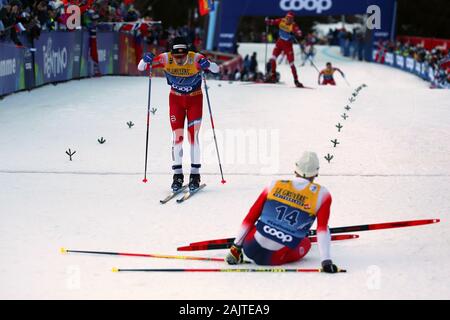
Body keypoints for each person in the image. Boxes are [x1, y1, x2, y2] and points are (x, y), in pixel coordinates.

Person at [225, 151, 340, 273]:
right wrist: (326, 261)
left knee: (258, 222)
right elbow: (322, 229)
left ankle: (239, 248)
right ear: (316, 173)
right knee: (306, 243)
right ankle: (298, 235)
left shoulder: (274, 185)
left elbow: (250, 217)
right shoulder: (323, 194)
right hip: (273, 258)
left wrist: (235, 248)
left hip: (250, 247)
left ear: (295, 170)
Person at [137, 37, 219, 191]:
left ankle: (195, 174)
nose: (179, 60)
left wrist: (208, 64)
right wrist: (145, 59)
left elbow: (216, 69)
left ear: (187, 53)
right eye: (176, 56)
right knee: (178, 137)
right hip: (176, 100)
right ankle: (178, 175)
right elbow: (141, 67)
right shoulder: (165, 58)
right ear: (172, 54)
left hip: (195, 99)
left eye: (182, 56)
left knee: (193, 137)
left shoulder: (196, 58)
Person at [265, 11, 303, 87]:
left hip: (288, 45)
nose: (289, 19)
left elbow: (299, 33)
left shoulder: (293, 25)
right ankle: (273, 76)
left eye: (291, 18)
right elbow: (273, 22)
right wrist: (268, 21)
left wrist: (295, 33)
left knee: (291, 64)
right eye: (288, 18)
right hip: (280, 43)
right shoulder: (282, 20)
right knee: (272, 59)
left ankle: (296, 80)